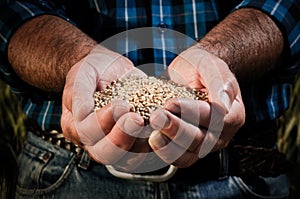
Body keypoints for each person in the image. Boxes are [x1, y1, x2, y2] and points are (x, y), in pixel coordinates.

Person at [0, 0, 299, 198]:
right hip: (66, 174)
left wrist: (217, 58)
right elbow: (13, 10)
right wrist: (78, 60)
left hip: (241, 175)